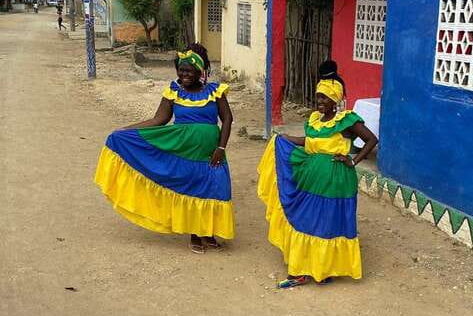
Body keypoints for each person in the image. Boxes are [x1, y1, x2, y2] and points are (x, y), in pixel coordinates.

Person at [94, 48, 235, 252]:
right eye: (180, 71)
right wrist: (126, 130)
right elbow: (159, 120)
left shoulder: (216, 91)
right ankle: (196, 234)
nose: (183, 75)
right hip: (183, 151)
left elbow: (228, 119)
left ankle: (209, 232)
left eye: (188, 71)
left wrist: (221, 147)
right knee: (192, 189)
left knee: (216, 188)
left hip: (211, 151)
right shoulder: (173, 92)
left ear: (200, 72)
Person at [257, 61, 378, 288]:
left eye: (324, 97)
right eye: (318, 97)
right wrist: (283, 139)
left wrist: (353, 160)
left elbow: (372, 140)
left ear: (336, 99)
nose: (320, 102)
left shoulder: (346, 121)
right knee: (309, 219)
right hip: (311, 178)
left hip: (336, 180)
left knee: (327, 222)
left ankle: (322, 269)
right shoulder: (314, 120)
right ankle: (305, 268)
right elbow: (310, 142)